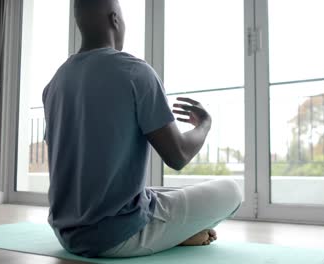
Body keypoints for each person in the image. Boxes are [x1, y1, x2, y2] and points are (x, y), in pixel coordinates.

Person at [42, 0, 242, 258]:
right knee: (232, 190)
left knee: (158, 193)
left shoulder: (55, 83)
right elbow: (178, 156)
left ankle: (176, 231)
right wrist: (204, 125)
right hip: (116, 237)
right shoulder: (134, 71)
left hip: (66, 234)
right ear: (115, 19)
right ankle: (174, 233)